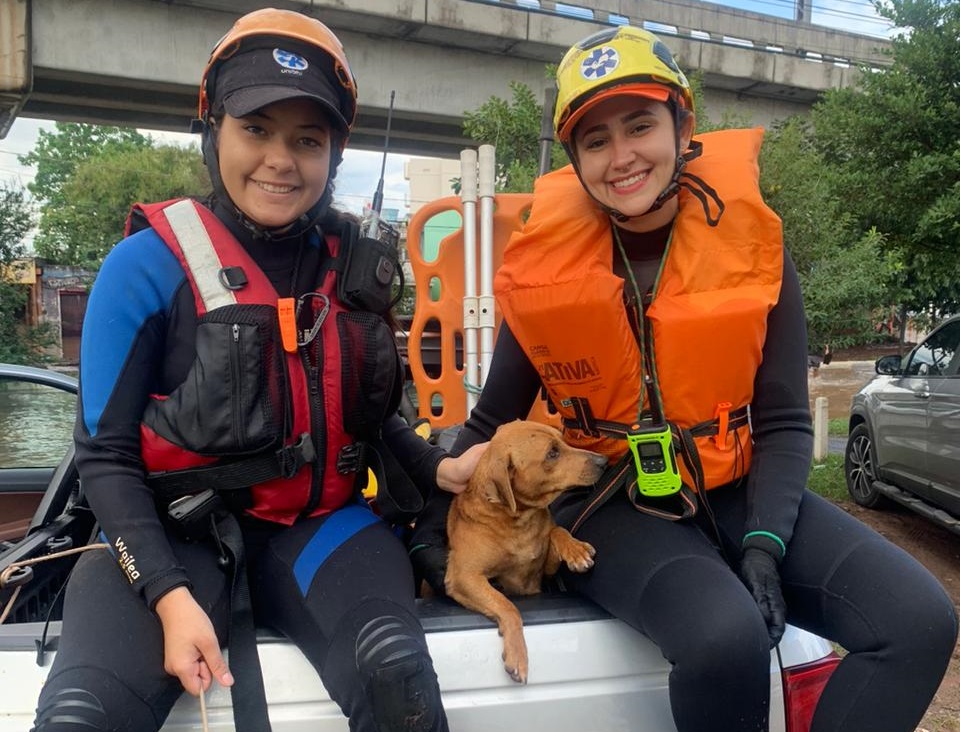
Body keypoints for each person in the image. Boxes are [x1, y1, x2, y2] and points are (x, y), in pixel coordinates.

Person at [408, 25, 958, 732]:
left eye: (640, 125)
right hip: (610, 503)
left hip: (735, 489)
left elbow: (788, 421)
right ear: (575, 158)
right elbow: (491, 428)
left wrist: (765, 543)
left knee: (918, 622)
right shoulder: (545, 273)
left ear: (683, 124)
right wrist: (432, 515)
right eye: (595, 140)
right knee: (723, 640)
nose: (621, 155)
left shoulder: (757, 248)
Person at [31, 8, 483, 732]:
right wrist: (170, 597)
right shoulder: (143, 267)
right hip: (170, 539)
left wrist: (437, 468)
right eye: (256, 129)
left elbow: (368, 417)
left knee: (396, 674)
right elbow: (105, 456)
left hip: (322, 529)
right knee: (83, 717)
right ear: (213, 129)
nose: (282, 159)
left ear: (335, 153)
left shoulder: (356, 268)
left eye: (308, 139)